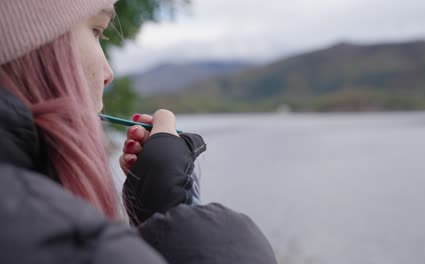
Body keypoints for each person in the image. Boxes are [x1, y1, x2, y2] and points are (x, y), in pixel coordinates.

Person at [0, 0, 277, 263]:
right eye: (96, 31)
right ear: (30, 45)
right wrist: (176, 211)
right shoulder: (73, 246)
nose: (108, 73)